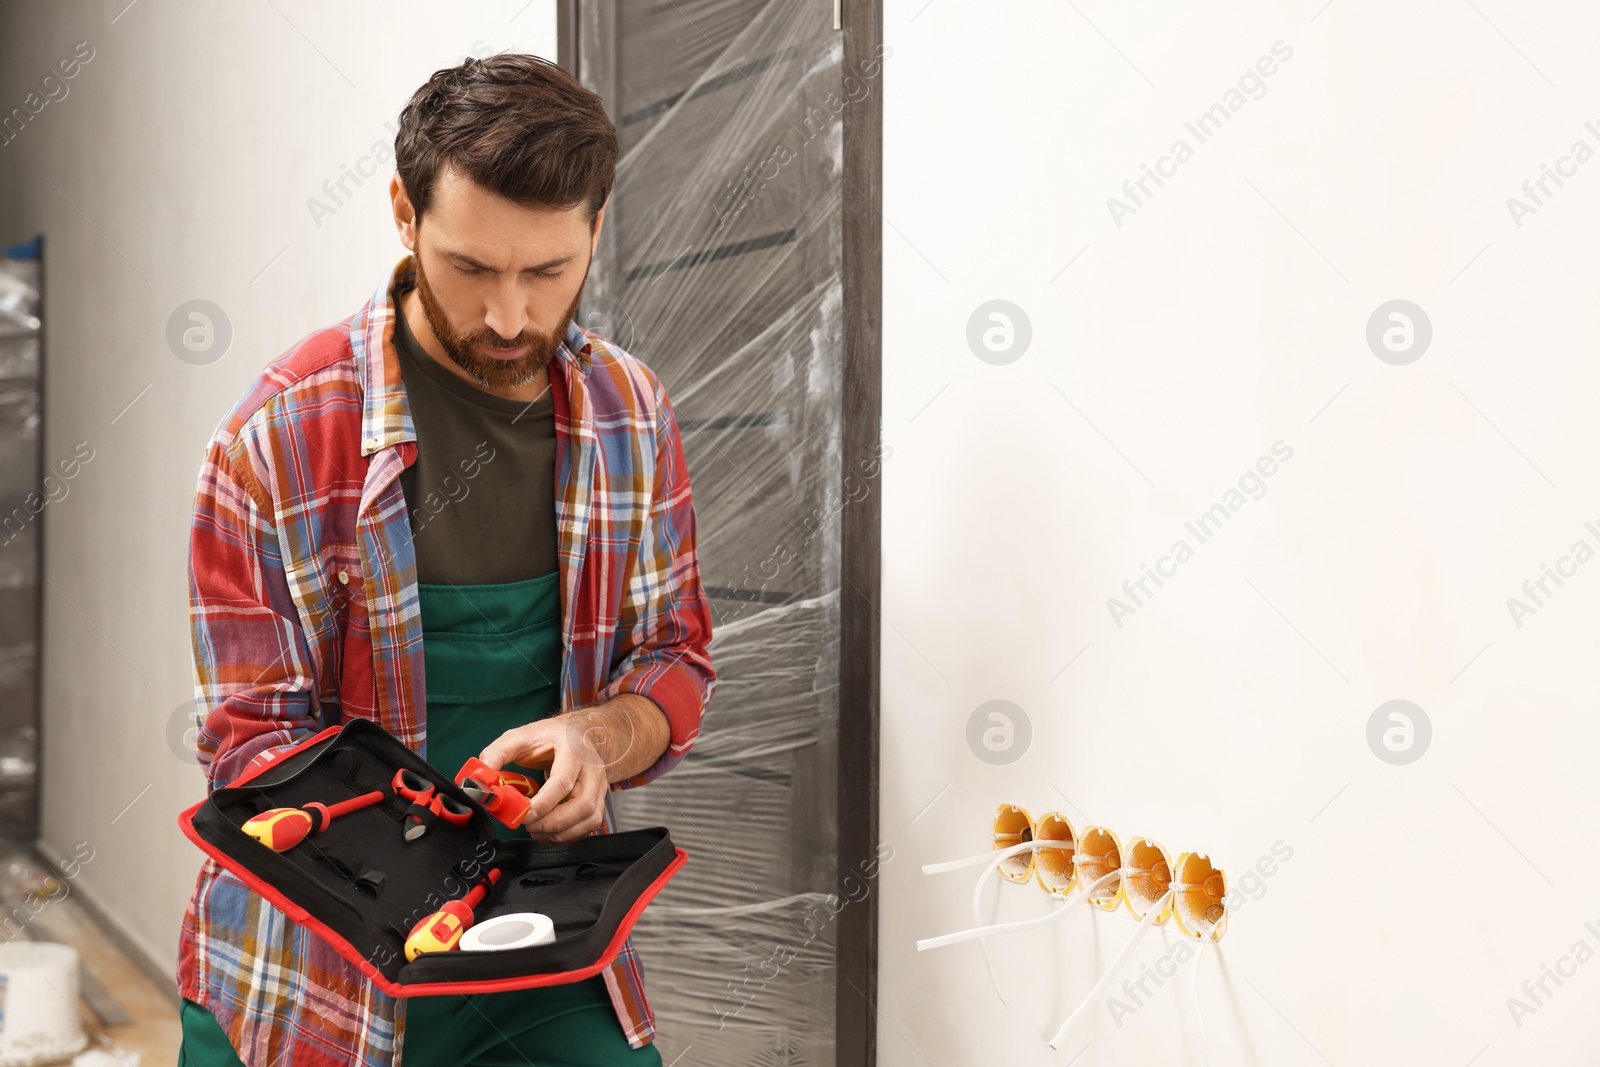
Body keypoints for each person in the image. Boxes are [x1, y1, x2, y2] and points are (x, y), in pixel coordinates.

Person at [174, 53, 716, 1067]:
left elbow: (674, 656)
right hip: (313, 961)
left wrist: (599, 737)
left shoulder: (630, 416)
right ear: (402, 213)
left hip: (538, 939)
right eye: (471, 268)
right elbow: (251, 741)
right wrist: (423, 849)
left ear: (595, 230)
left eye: (547, 272)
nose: (510, 317)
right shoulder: (275, 438)